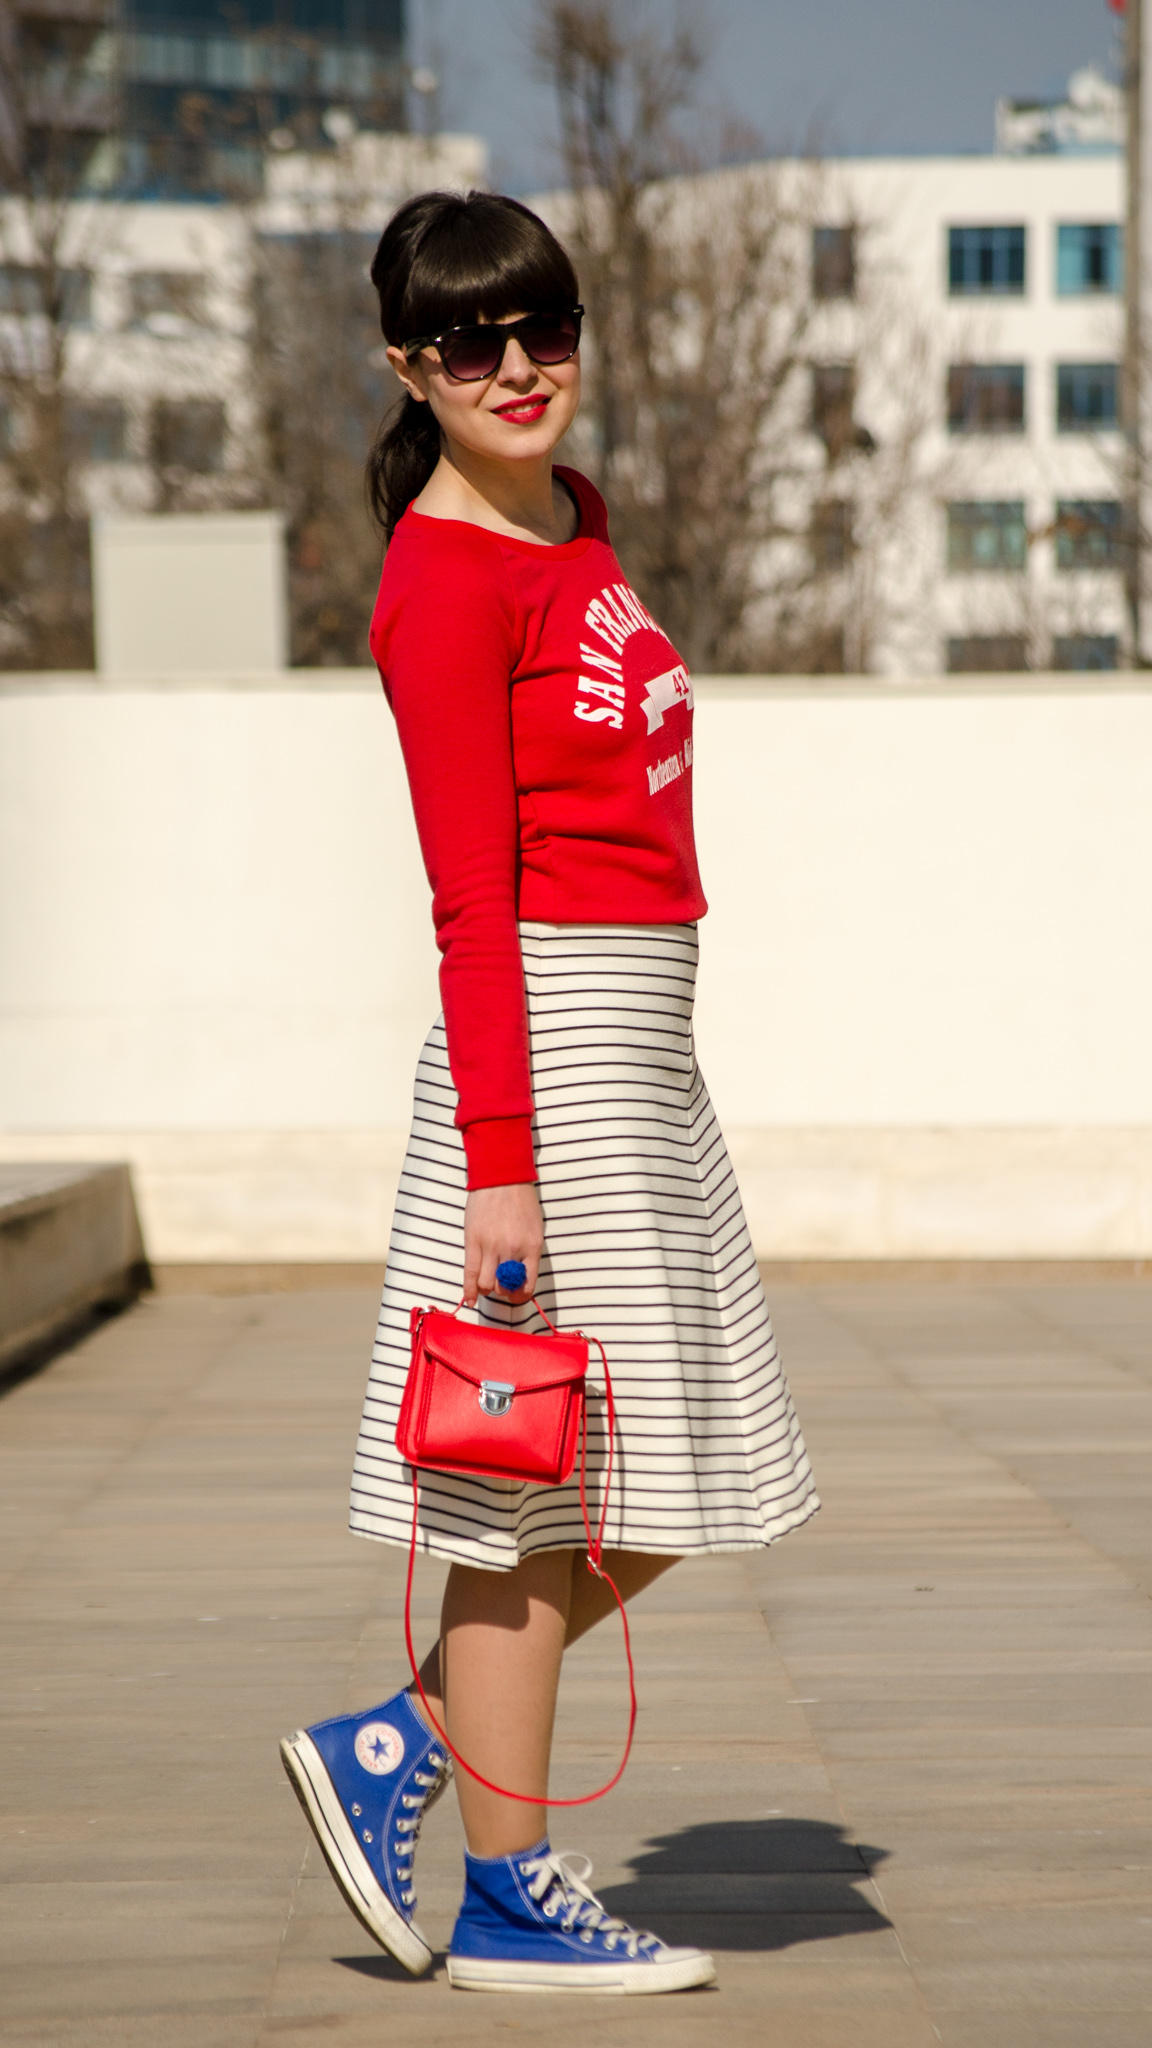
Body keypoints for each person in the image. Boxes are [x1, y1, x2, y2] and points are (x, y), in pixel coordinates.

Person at [281, 188, 818, 1997]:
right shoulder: (441, 584)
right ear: (407, 368)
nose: (517, 369)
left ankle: (399, 1747)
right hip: (555, 1059)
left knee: (674, 1476)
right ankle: (505, 1894)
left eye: (543, 331)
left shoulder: (569, 536)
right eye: (468, 343)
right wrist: (500, 1168)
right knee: (540, 1499)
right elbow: (472, 901)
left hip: (643, 1054)